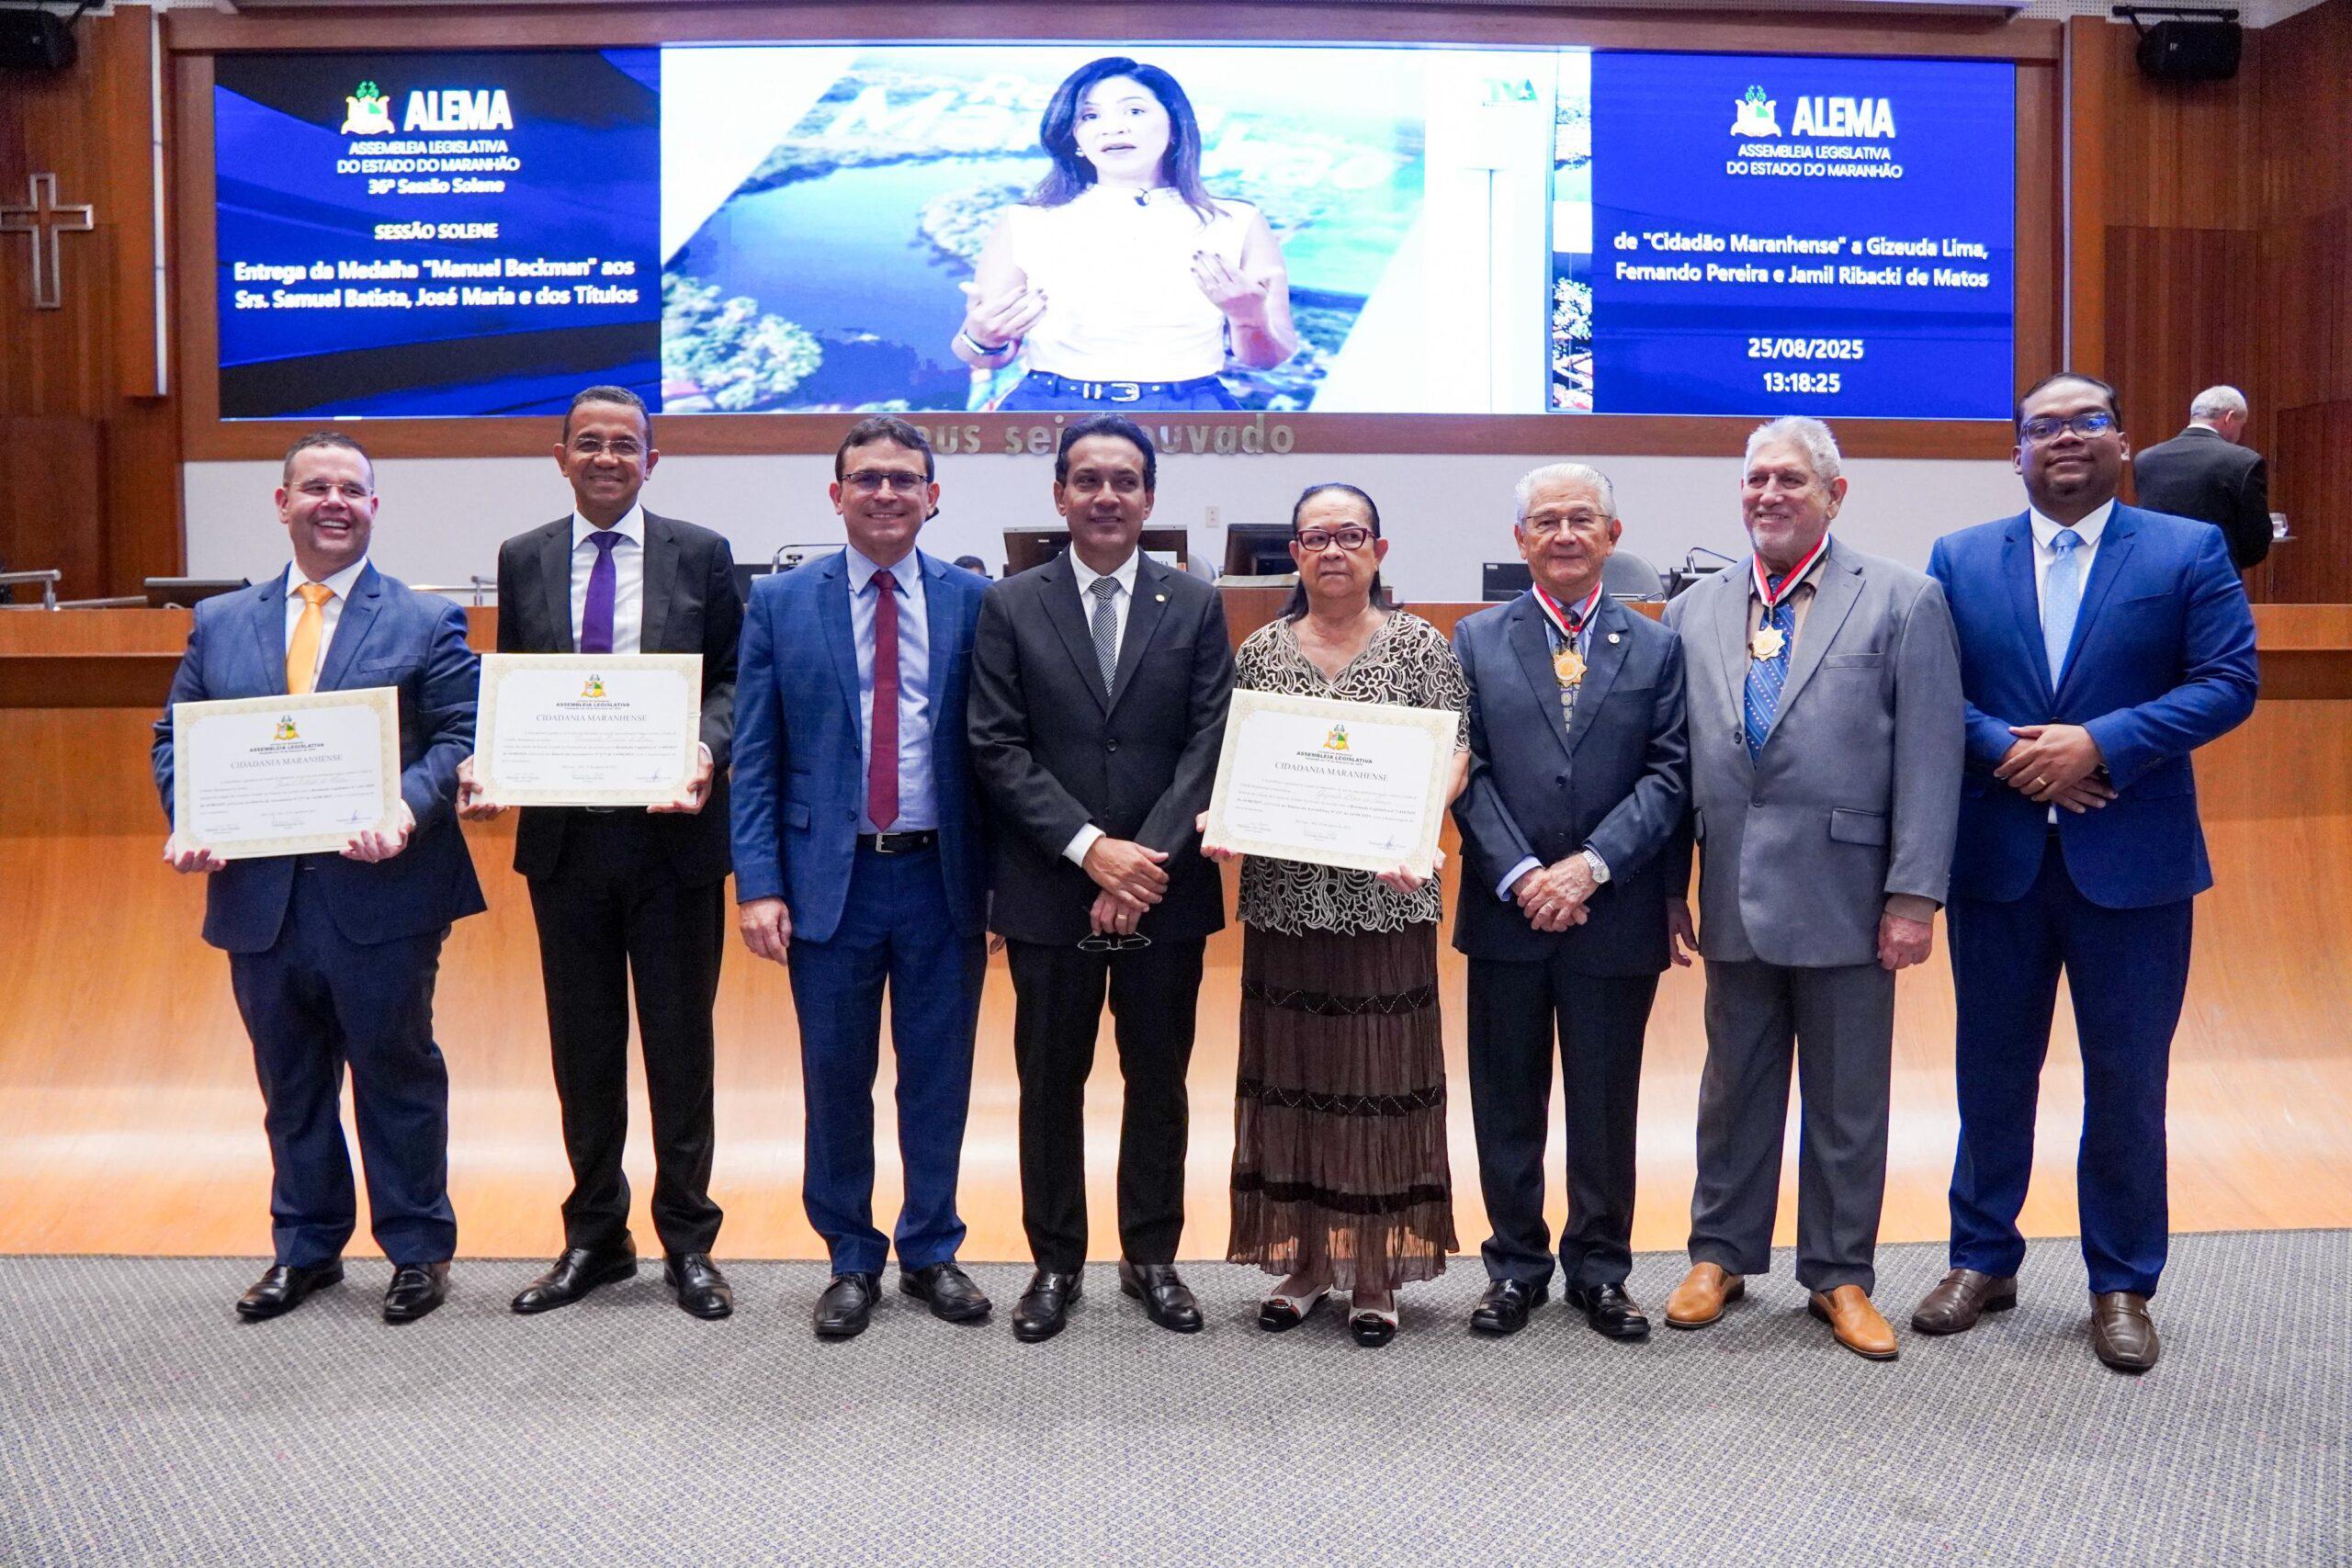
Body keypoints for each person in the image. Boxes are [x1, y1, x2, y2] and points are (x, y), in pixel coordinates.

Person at [1916, 373, 2257, 1373]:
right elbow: (1932, 689)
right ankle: (1981, 1258)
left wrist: (2099, 743)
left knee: (2126, 1081)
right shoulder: (1959, 557)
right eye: (2043, 427)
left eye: (2086, 421)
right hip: (1999, 860)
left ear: (2123, 441)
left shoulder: (2185, 551)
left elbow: (2229, 682)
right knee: (1990, 1071)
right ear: (2016, 452)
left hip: (2135, 865)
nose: (2064, 438)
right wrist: (2013, 753)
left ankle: (2121, 1281)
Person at [153, 433, 484, 1325]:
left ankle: (417, 1249)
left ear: (374, 507)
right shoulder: (220, 621)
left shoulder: (424, 620)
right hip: (260, 897)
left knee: (396, 1074)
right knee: (290, 1082)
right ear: (283, 503)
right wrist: (193, 817)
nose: (333, 502)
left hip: (383, 891)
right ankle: (305, 1248)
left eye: (351, 490)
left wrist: (406, 807)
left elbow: (461, 735)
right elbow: (175, 737)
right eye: (315, 488)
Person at [1658, 416, 1962, 1361]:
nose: (1769, 494)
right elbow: (1671, 765)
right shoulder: (1693, 609)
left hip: (1851, 896)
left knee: (1846, 1099)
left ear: (1835, 493)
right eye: (1756, 479)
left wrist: (1913, 897)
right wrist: (1669, 887)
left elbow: (1931, 758)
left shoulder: (1904, 599)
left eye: (1790, 479)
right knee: (1731, 1089)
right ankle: (1718, 1254)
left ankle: (1838, 1273)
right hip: (1731, 890)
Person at [457, 387, 741, 1321]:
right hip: (567, 843)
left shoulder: (702, 551)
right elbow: (513, 683)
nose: (607, 457)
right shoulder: (524, 556)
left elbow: (734, 679)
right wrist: (493, 759)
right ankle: (595, 1237)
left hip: (674, 839)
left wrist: (705, 748)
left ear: (652, 460)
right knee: (583, 1050)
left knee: (679, 1047)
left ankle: (689, 1242)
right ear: (561, 456)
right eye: (589, 443)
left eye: (626, 444)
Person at [967, 413, 1234, 1342]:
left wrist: (1137, 865)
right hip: (1049, 889)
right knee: (1050, 1084)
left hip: (1166, 889)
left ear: (1149, 498)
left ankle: (1151, 1256)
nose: (1106, 496)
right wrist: (1091, 850)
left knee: (1158, 1080)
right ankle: (1055, 1263)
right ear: (1059, 495)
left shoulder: (1194, 602)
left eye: (1125, 481)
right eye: (1088, 480)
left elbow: (1210, 740)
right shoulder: (1010, 604)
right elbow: (996, 746)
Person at [731, 416, 994, 1340]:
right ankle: (849, 1255)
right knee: (835, 1078)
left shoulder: (976, 601)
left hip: (942, 878)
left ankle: (931, 1248)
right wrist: (757, 882)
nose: (886, 493)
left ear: (933, 496)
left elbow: (999, 754)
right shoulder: (779, 602)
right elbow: (756, 755)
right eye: (867, 477)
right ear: (836, 493)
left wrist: (1001, 889)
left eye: (904, 478)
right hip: (825, 883)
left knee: (937, 1078)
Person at [1203, 483, 1466, 1348]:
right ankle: (1308, 1259)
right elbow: (1240, 759)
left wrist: (1418, 819)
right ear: (1294, 554)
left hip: (1386, 898)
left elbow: (1457, 749)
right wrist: (1226, 813)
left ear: (1379, 550)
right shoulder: (1262, 652)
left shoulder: (1421, 644)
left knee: (1378, 1081)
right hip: (1286, 900)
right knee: (1297, 1078)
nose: (1333, 551)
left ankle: (1377, 1268)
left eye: (1350, 535)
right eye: (1315, 538)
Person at [1450, 464, 1690, 1342]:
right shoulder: (1474, 640)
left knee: (1605, 1104)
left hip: (1610, 914)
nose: (1563, 534)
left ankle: (1601, 1269)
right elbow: (1464, 769)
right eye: (1545, 521)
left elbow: (1671, 774)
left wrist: (1589, 867)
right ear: (1519, 540)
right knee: (1506, 1102)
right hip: (1506, 913)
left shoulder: (1658, 645)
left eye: (1581, 519)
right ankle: (1514, 1266)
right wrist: (1524, 874)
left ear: (1612, 535)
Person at [951, 55, 1296, 412]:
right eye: (1090, 116)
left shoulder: (1237, 221)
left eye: (1134, 111)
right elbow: (977, 353)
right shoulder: (1026, 221)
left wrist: (1248, 318)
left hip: (1189, 409)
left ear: (1174, 127)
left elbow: (1270, 358)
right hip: (1050, 408)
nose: (1112, 128)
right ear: (1075, 137)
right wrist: (983, 337)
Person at [2130, 384, 2272, 570]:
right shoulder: (2244, 461)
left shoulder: (2146, 459)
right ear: (2229, 418)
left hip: (2156, 573)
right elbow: (2256, 542)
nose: (2239, 434)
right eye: (2241, 425)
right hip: (2215, 574)